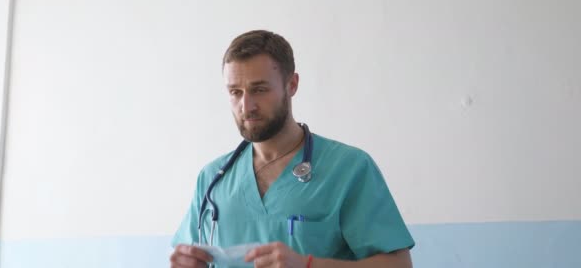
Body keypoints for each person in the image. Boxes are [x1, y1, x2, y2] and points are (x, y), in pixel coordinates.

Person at [170, 30, 415, 267]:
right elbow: (189, 254)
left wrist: (308, 265)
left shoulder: (349, 169)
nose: (247, 106)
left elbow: (399, 265)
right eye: (235, 92)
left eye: (260, 89)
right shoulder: (212, 178)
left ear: (292, 84)